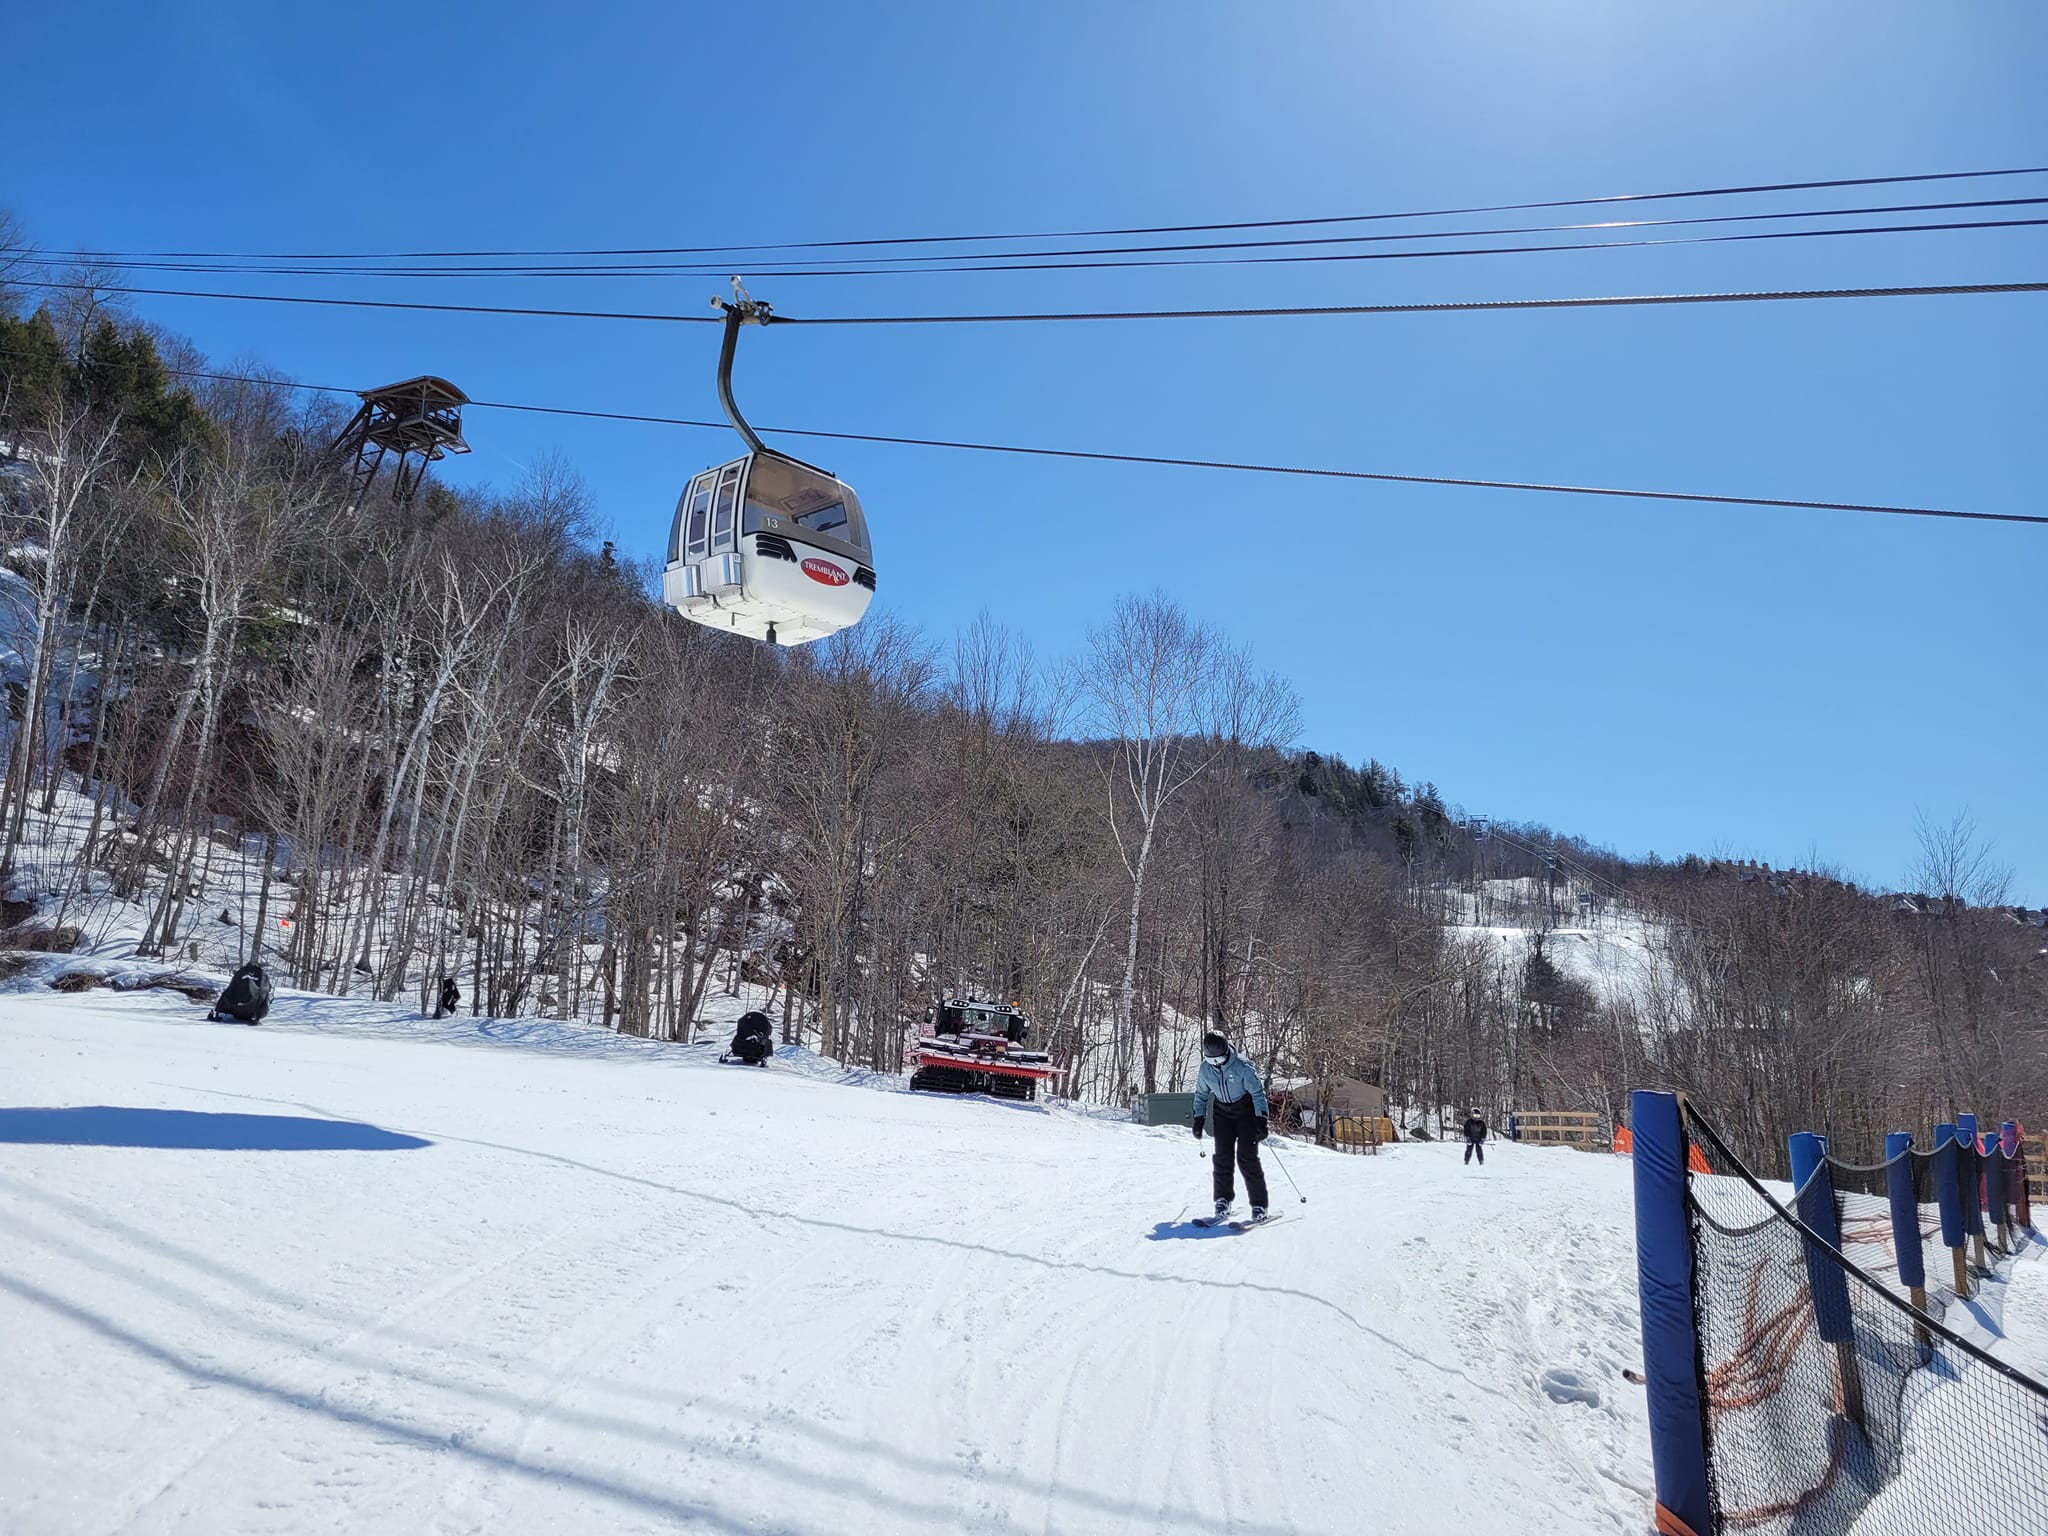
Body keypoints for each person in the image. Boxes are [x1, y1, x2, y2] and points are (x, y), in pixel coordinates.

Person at [1192, 1030, 1270, 1221]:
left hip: (1246, 1112)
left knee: (1247, 1157)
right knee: (1222, 1158)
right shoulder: (1205, 1069)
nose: (1216, 1064)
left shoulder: (1242, 1066)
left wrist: (1261, 1118)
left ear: (1226, 1052)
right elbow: (1201, 1094)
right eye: (1212, 1061)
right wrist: (1199, 1117)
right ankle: (1222, 1200)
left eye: (1219, 1060)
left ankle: (1259, 1205)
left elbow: (1258, 1094)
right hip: (1222, 1113)